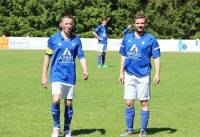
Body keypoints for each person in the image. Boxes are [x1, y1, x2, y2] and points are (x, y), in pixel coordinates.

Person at [41, 13, 88, 137]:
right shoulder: (53, 39)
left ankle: (67, 128)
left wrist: (85, 69)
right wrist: (44, 76)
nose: (68, 26)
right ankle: (56, 127)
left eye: (70, 24)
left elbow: (81, 56)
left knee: (68, 103)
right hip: (56, 74)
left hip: (70, 76)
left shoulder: (77, 40)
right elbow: (47, 57)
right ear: (61, 24)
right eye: (66, 23)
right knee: (56, 99)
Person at [119, 12, 161, 137]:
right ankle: (129, 129)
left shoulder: (151, 39)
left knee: (144, 102)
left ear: (145, 24)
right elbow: (123, 55)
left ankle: (143, 130)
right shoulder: (127, 38)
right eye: (138, 23)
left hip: (143, 75)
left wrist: (157, 73)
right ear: (134, 24)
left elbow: (156, 57)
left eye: (142, 23)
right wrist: (121, 72)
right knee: (129, 102)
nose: (140, 25)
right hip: (129, 74)